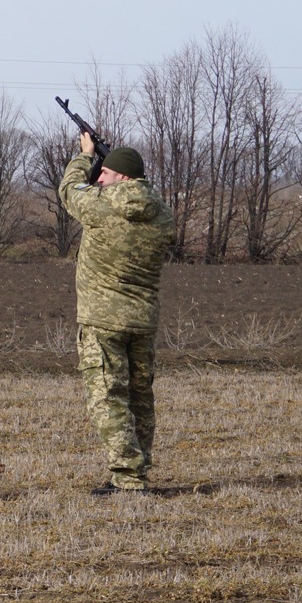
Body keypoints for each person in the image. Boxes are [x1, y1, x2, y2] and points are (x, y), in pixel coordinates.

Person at [58, 132, 174, 495]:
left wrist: (84, 155)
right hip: (142, 320)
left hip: (102, 320)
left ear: (121, 176)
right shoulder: (163, 215)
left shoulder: (101, 204)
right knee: (141, 398)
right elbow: (136, 199)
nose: (99, 178)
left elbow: (69, 190)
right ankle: (139, 472)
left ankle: (127, 479)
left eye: (105, 173)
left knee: (109, 398)